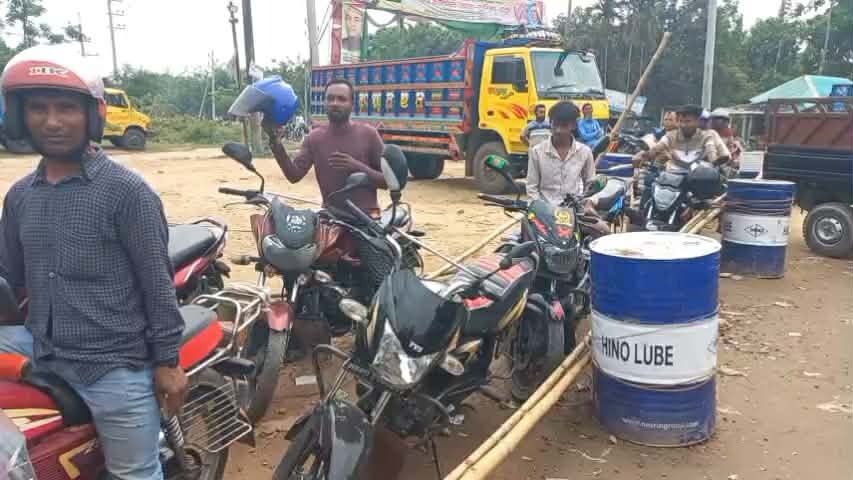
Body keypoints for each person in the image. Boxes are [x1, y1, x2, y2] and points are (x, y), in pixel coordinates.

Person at [0, 45, 185, 479]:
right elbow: (11, 275)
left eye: (65, 108)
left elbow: (158, 285)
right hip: (41, 345)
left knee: (135, 473)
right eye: (38, 108)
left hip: (112, 363)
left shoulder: (127, 193)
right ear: (20, 117)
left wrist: (168, 362)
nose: (52, 121)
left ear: (91, 115)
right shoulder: (21, 196)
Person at [268, 77, 386, 213]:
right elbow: (294, 176)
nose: (335, 103)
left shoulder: (368, 134)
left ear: (352, 104)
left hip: (367, 220)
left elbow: (387, 182)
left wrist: (356, 167)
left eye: (342, 99)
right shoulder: (314, 138)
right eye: (330, 99)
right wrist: (275, 142)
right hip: (331, 217)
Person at [527, 101, 596, 205]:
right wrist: (538, 207)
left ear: (573, 125)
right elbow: (532, 188)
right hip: (544, 210)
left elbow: (591, 185)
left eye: (564, 125)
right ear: (550, 124)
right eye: (555, 125)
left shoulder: (585, 152)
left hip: (574, 209)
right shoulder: (537, 152)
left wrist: (589, 203)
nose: (558, 130)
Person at [633, 104, 726, 174]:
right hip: (672, 178)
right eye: (681, 121)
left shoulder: (710, 135)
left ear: (698, 121)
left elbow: (715, 154)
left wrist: (714, 164)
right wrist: (643, 156)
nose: (684, 125)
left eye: (688, 121)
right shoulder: (670, 135)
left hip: (700, 179)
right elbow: (657, 148)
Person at [710, 109, 743, 179]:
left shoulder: (728, 133)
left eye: (722, 120)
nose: (719, 122)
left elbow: (731, 149)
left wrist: (733, 159)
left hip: (724, 163)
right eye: (716, 120)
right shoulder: (707, 132)